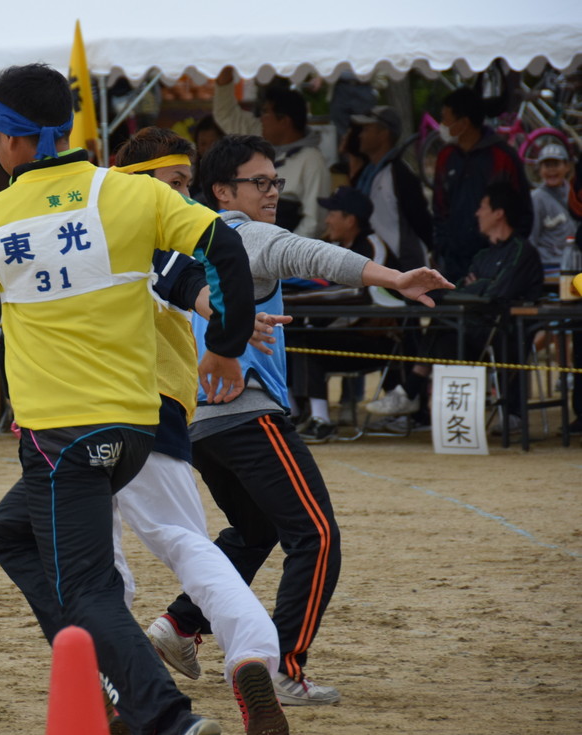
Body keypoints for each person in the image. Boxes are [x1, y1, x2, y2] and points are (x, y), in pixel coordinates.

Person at [0, 63, 241, 735]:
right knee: (10, 532)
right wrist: (228, 340)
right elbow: (225, 246)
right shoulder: (129, 192)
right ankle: (104, 677)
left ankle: (166, 717)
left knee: (86, 590)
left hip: (61, 441)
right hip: (136, 430)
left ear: (7, 138)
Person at [146, 134, 452, 707]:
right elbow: (313, 255)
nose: (272, 192)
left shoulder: (172, 247)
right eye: (259, 182)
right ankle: (283, 668)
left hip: (198, 423)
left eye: (276, 182)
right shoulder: (240, 233)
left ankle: (180, 624)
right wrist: (393, 278)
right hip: (244, 414)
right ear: (221, 192)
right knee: (316, 537)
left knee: (256, 531)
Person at [108, 127, 290, 735]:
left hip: (78, 417)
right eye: (176, 182)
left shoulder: (109, 234)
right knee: (188, 547)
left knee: (96, 568)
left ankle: (116, 689)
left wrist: (228, 317)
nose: (185, 196)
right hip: (150, 413)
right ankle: (251, 656)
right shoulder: (155, 231)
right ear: (134, 180)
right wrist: (230, 319)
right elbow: (193, 284)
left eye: (189, 184)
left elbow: (193, 286)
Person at [366, 181, 543, 431]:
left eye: (482, 207)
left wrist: (477, 284)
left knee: (441, 324)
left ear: (498, 213)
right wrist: (480, 284)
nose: (477, 213)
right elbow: (458, 289)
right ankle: (418, 399)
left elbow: (497, 294)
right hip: (471, 332)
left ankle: (410, 393)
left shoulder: (522, 251)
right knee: (438, 326)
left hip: (505, 336)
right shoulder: (483, 255)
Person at [284, 186, 403, 442]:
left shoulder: (373, 247)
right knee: (286, 337)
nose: (327, 220)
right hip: (343, 333)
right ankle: (291, 414)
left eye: (332, 214)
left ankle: (321, 421)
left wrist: (289, 300)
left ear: (350, 220)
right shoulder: (334, 246)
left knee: (305, 342)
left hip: (376, 339)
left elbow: (360, 293)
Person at [211, 68, 329, 238]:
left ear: (284, 121)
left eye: (266, 113)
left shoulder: (311, 159)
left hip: (289, 246)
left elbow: (315, 221)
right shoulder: (258, 142)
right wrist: (226, 71)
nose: (261, 119)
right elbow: (226, 114)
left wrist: (286, 249)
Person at [431, 86, 533, 283]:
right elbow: (439, 207)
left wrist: (505, 253)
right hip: (453, 262)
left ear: (464, 123)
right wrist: (442, 246)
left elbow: (523, 212)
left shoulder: (503, 157)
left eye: (446, 119)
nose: (442, 126)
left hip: (495, 263)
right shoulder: (445, 156)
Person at [351, 105, 433, 272]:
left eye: (366, 129)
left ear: (383, 134)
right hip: (373, 260)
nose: (360, 135)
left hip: (401, 266)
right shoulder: (367, 173)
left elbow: (420, 220)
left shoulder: (400, 174)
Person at [528, 143, 573, 273]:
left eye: (556, 164)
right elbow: (531, 239)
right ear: (540, 170)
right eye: (547, 165)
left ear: (567, 166)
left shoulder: (574, 194)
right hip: (549, 266)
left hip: (574, 263)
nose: (551, 170)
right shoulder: (536, 198)